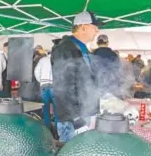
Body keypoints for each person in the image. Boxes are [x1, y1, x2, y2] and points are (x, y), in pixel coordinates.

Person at [51, 11, 102, 143]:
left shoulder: (81, 48)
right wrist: (76, 119)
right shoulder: (65, 49)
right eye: (94, 27)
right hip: (73, 119)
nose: (97, 31)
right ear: (83, 27)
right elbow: (63, 87)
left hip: (85, 112)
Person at [36, 40, 61, 129]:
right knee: (57, 109)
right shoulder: (59, 60)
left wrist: (41, 82)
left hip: (44, 85)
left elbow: (36, 72)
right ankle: (58, 129)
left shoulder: (43, 60)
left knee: (45, 108)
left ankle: (48, 128)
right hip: (55, 86)